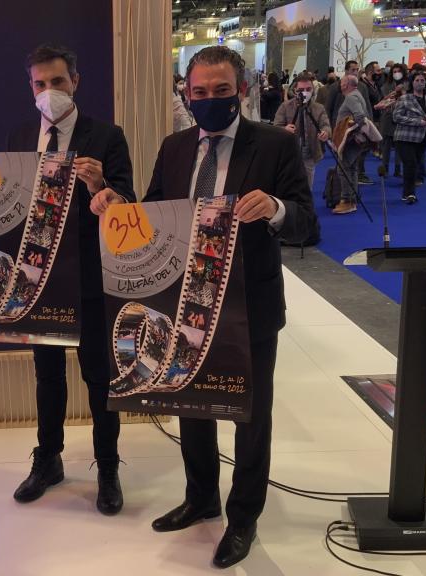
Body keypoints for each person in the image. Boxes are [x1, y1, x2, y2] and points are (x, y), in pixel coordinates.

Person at [90, 45, 316, 570]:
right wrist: (114, 202)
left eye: (221, 91)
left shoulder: (275, 145)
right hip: (182, 301)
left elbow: (308, 223)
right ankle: (201, 497)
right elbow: (152, 213)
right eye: (198, 92)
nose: (209, 100)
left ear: (241, 89)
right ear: (185, 94)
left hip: (249, 304)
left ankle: (242, 517)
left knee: (250, 415)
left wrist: (277, 209)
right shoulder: (173, 147)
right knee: (190, 403)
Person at [0, 44, 134, 515]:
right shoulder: (22, 132)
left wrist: (101, 187)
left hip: (87, 274)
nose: (49, 92)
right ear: (31, 87)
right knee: (47, 376)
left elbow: (129, 201)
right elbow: (9, 199)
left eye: (58, 82)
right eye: (39, 84)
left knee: (99, 378)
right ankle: (48, 459)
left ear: (76, 82)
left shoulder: (106, 136)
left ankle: (107, 466)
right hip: (36, 277)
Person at [273, 73, 331, 188]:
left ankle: (306, 206)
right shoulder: (285, 106)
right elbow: (275, 127)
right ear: (295, 90)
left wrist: (325, 133)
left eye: (308, 89)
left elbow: (326, 125)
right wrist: (284, 129)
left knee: (307, 187)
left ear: (313, 90)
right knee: (288, 187)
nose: (304, 92)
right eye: (301, 89)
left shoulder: (319, 108)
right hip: (289, 155)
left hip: (310, 154)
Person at [393, 70, 426, 204]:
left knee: (416, 165)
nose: (420, 83)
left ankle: (409, 191)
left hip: (422, 138)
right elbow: (396, 116)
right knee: (410, 164)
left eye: (422, 80)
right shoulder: (404, 98)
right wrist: (417, 122)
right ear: (412, 83)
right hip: (405, 137)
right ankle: (409, 193)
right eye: (417, 80)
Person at [332, 74, 369, 215]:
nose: (340, 85)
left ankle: (347, 200)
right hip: (353, 140)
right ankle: (352, 199)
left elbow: (360, 116)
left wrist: (351, 131)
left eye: (341, 82)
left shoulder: (351, 97)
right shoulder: (357, 95)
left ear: (346, 84)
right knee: (352, 169)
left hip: (349, 141)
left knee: (344, 169)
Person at [377, 63, 409, 177]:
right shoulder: (386, 85)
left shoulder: (408, 85)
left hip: (401, 119)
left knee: (399, 146)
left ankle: (397, 169)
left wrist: (403, 93)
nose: (396, 74)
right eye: (394, 72)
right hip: (388, 118)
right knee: (386, 146)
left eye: (398, 71)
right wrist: (393, 93)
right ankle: (384, 168)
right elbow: (382, 101)